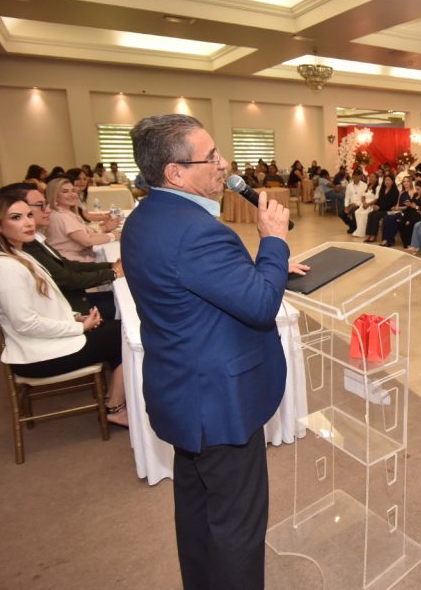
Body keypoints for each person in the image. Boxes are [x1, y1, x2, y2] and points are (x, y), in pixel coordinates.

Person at [122, 114, 307, 589]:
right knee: (238, 528)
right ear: (175, 173)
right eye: (211, 157)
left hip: (182, 391)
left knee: (198, 510)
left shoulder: (146, 217)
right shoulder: (197, 231)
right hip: (220, 403)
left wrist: (266, 268)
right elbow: (260, 306)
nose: (224, 164)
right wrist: (274, 241)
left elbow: (198, 282)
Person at [0, 194, 126, 426]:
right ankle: (116, 407)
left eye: (28, 215)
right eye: (16, 217)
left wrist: (75, 317)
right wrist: (78, 327)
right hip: (37, 357)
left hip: (41, 343)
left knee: (118, 330)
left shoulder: (17, 255)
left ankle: (115, 400)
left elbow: (43, 306)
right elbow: (25, 323)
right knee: (124, 334)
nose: (28, 222)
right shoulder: (4, 267)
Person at [1, 183, 121, 320]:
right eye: (40, 205)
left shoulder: (34, 239)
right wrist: (114, 272)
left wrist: (110, 266)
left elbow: (66, 265)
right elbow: (67, 279)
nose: (48, 210)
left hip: (72, 304)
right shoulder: (24, 247)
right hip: (69, 312)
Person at [44, 177, 120, 262]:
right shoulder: (61, 216)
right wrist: (113, 236)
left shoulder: (61, 212)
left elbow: (86, 234)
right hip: (70, 260)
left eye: (73, 191)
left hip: (72, 256)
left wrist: (106, 229)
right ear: (54, 195)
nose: (72, 194)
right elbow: (87, 241)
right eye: (65, 192)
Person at [364, 173, 398, 242]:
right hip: (381, 209)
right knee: (370, 214)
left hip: (389, 210)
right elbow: (379, 200)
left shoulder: (395, 191)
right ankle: (368, 234)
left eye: (389, 180)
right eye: (385, 180)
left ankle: (373, 235)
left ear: (392, 181)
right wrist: (375, 205)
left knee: (376, 215)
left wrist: (379, 208)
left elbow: (391, 204)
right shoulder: (382, 189)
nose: (387, 182)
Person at [339, 170, 368, 234]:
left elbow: (364, 197)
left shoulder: (364, 185)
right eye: (354, 175)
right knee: (341, 213)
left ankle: (354, 228)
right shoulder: (349, 185)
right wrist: (346, 206)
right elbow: (347, 197)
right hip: (350, 205)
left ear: (361, 176)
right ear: (352, 176)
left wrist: (356, 204)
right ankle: (352, 226)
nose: (356, 177)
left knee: (354, 211)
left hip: (360, 205)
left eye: (358, 175)